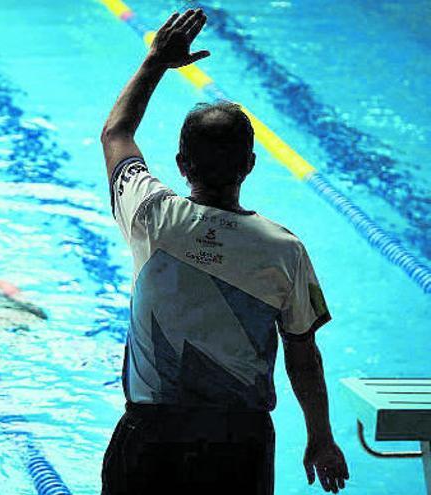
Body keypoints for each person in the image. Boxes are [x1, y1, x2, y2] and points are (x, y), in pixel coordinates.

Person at [99, 9, 347, 494]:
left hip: (152, 436)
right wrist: (320, 437)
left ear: (180, 164)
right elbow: (304, 354)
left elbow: (117, 134)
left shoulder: (151, 216)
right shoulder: (284, 250)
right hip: (239, 444)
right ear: (251, 165)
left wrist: (155, 62)